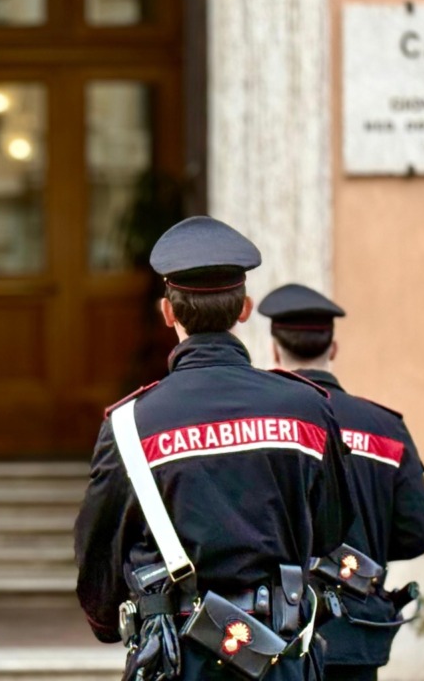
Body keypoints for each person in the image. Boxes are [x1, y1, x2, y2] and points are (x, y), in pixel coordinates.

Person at [74, 217, 355, 681]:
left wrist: (108, 624)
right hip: (279, 655)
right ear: (245, 309)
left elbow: (98, 550)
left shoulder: (129, 425)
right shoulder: (306, 408)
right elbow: (330, 530)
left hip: (179, 659)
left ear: (168, 312)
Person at [258, 283, 424, 681]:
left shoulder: (261, 431)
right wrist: (365, 544)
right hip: (357, 633)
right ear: (333, 349)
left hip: (273, 634)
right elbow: (420, 530)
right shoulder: (385, 428)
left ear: (273, 350)